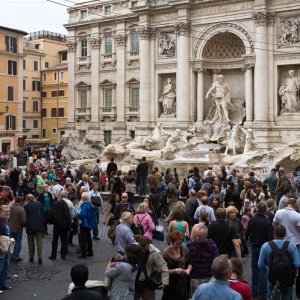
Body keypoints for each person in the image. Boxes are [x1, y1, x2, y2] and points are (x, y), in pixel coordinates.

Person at [258, 225, 300, 300]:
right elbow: (297, 264)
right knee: (287, 296)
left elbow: (260, 264)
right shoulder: (291, 245)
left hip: (272, 275)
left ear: (274, 233)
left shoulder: (266, 246)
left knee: (271, 294)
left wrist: (268, 269)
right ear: (285, 234)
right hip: (288, 277)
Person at [245, 202, 273, 299]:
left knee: (254, 268)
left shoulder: (252, 220)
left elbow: (247, 233)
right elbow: (270, 238)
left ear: (257, 209)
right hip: (264, 247)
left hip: (254, 246)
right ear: (265, 210)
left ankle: (254, 291)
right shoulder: (267, 222)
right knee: (263, 269)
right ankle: (262, 292)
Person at [186, 225, 218, 295]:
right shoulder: (189, 245)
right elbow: (186, 261)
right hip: (194, 277)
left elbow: (216, 262)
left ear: (206, 235)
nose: (197, 238)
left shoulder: (212, 246)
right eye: (196, 235)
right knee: (196, 296)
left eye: (200, 236)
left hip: (208, 277)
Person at [162, 231, 192, 300]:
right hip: (171, 282)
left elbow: (189, 263)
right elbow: (164, 270)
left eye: (180, 243)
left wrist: (188, 269)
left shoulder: (185, 249)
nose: (179, 245)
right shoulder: (166, 253)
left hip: (183, 283)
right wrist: (175, 271)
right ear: (172, 242)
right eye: (177, 244)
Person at [48, 192, 71, 261]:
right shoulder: (65, 204)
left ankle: (53, 255)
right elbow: (67, 216)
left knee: (55, 240)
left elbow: (51, 214)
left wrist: (52, 221)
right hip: (64, 225)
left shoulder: (55, 204)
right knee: (64, 240)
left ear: (59, 196)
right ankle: (63, 255)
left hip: (57, 225)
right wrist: (68, 225)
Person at [24, 193, 44, 264]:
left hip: (30, 226)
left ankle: (31, 257)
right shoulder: (39, 204)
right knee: (39, 242)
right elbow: (43, 213)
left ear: (27, 199)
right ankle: (40, 258)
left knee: (30, 243)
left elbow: (25, 216)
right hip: (39, 225)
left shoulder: (26, 206)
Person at [77, 192, 96, 259]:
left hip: (84, 223)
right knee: (88, 238)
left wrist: (77, 214)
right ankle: (90, 252)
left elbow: (83, 215)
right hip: (89, 223)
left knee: (83, 239)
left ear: (83, 197)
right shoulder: (90, 204)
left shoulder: (84, 205)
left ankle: (84, 254)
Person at [9, 196, 26, 262]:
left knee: (11, 243)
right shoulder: (21, 209)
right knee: (17, 243)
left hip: (10, 228)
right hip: (18, 229)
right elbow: (24, 221)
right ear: (21, 202)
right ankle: (16, 257)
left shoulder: (10, 208)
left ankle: (10, 256)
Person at [0, 205, 12, 291]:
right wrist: (4, 246)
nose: (8, 213)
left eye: (9, 211)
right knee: (0, 266)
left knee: (5, 266)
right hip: (2, 247)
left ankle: (3, 284)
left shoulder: (5, 219)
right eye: (6, 211)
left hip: (7, 245)